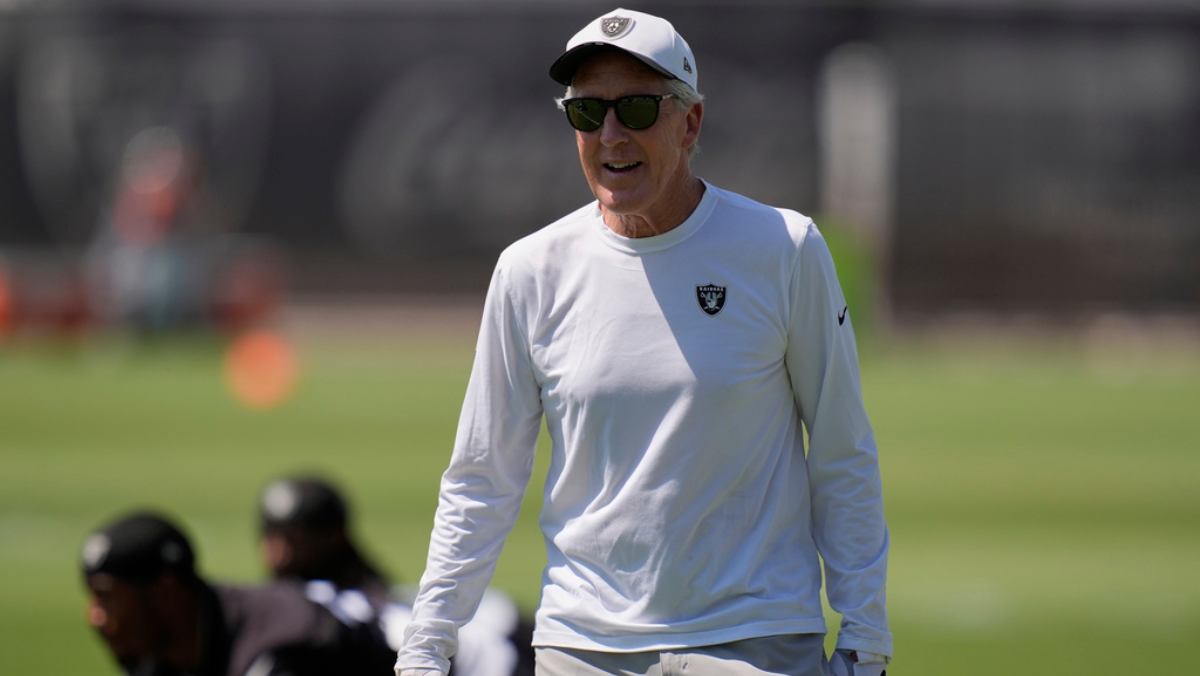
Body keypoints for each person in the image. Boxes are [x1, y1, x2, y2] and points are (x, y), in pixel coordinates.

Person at [395, 8, 891, 676]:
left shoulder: (784, 247)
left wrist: (864, 640)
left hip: (756, 640)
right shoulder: (529, 270)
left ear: (691, 123)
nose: (610, 134)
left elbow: (841, 451)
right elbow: (482, 478)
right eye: (586, 112)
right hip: (582, 645)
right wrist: (426, 647)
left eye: (635, 108)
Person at [257, 475, 536, 676]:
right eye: (270, 536)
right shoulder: (361, 596)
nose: (276, 553)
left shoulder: (341, 612)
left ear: (329, 538)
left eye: (291, 539)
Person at [81, 509, 396, 676]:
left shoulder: (284, 650)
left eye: (106, 596)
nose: (94, 616)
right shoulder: (160, 653)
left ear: (166, 590)